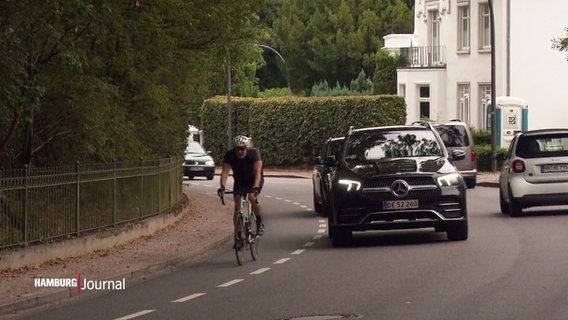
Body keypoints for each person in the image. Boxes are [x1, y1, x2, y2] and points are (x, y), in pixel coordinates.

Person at [217, 135, 265, 240]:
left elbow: (257, 172)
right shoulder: (230, 155)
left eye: (242, 149)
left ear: (246, 148)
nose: (240, 152)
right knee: (237, 206)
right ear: (234, 149)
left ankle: (259, 222)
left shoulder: (254, 153)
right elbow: (225, 172)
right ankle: (238, 235)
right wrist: (222, 187)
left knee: (252, 197)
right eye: (237, 149)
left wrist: (255, 187)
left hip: (254, 179)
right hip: (240, 181)